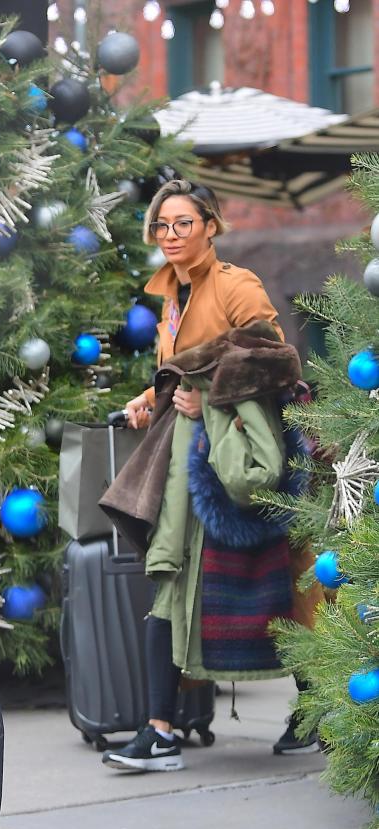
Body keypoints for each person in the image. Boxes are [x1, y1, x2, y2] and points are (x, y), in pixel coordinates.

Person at [99, 179, 320, 773]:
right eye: (162, 227)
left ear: (211, 226)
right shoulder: (174, 296)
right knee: (186, 583)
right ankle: (162, 728)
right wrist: (152, 397)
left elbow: (275, 360)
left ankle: (311, 709)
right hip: (190, 462)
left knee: (273, 580)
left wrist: (213, 399)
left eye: (183, 224)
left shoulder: (235, 284)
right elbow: (181, 371)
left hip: (233, 463)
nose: (170, 236)